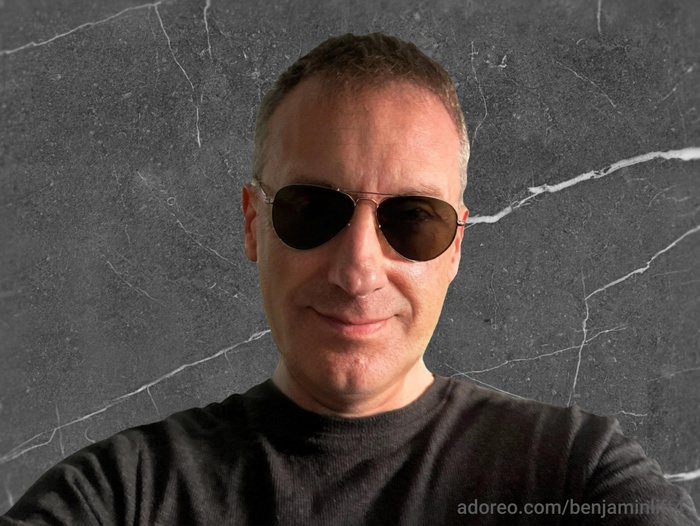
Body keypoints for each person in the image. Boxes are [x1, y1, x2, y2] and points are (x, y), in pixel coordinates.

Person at [2, 32, 698, 526]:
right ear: (253, 224)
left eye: (413, 220)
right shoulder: (119, 497)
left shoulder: (577, 478)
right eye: (313, 210)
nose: (358, 268)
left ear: (456, 246)